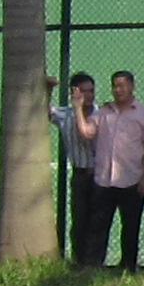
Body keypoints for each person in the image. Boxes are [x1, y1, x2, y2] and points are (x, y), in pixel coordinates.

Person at [72, 71, 144, 272]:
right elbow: (86, 133)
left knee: (130, 228)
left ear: (132, 87)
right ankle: (92, 268)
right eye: (115, 86)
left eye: (122, 85)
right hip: (104, 181)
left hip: (132, 180)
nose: (118, 90)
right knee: (97, 228)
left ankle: (128, 268)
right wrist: (77, 108)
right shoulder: (103, 112)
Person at [52, 72, 100, 266]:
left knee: (96, 222)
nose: (89, 95)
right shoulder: (65, 114)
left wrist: (80, 110)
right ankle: (79, 261)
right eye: (84, 91)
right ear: (74, 92)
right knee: (79, 220)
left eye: (91, 91)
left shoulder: (101, 114)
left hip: (99, 175)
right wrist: (48, 89)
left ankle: (94, 262)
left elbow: (85, 134)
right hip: (80, 174)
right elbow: (44, 112)